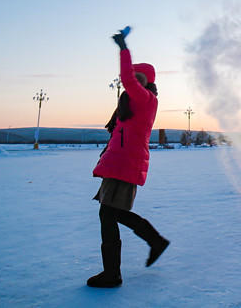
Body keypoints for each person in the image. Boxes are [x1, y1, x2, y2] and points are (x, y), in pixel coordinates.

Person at [87, 28, 170, 288]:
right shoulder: (131, 104)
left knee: (109, 214)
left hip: (126, 165)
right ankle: (152, 242)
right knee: (112, 214)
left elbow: (126, 78)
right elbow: (121, 134)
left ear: (147, 81)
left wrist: (123, 47)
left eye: (138, 77)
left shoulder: (145, 99)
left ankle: (113, 273)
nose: (132, 80)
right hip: (120, 164)